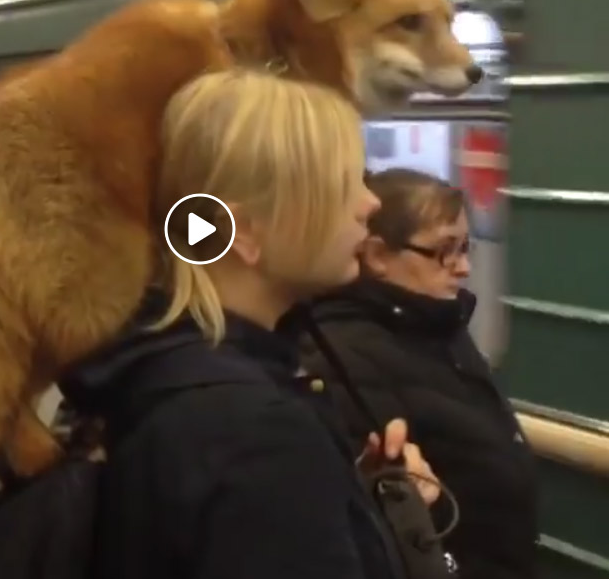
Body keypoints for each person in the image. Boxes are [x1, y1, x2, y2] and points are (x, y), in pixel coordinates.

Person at [62, 69, 440, 579]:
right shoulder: (258, 433)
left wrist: (345, 504)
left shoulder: (160, 370)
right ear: (243, 233)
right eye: (344, 183)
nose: (369, 203)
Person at [307, 167, 538, 579]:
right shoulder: (340, 359)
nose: (463, 267)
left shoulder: (439, 328)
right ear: (377, 256)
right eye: (443, 250)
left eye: (466, 247)